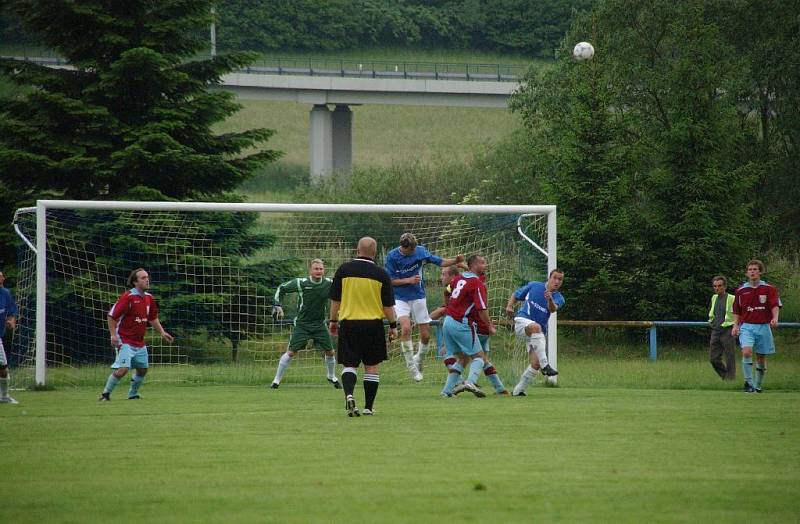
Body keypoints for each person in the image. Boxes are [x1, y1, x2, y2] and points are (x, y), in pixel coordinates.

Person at [329, 237, 397, 416]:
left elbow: (336, 299)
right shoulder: (381, 274)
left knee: (349, 365)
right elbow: (388, 306)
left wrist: (333, 321)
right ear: (374, 253)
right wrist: (393, 325)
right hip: (372, 325)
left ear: (357, 250)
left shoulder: (343, 270)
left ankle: (350, 395)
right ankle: (368, 407)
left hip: (349, 324)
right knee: (372, 366)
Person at [385, 232, 463, 382]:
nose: (414, 252)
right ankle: (411, 367)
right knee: (406, 328)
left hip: (418, 296)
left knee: (426, 336)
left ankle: (419, 359)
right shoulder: (392, 256)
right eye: (410, 250)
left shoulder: (420, 251)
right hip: (400, 298)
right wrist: (408, 280)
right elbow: (390, 280)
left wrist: (455, 260)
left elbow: (439, 261)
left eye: (415, 249)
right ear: (404, 248)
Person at [432, 264, 508, 397]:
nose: (441, 277)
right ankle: (498, 388)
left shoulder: (464, 282)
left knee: (469, 358)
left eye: (443, 274)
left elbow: (447, 299)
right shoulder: (473, 281)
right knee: (477, 358)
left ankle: (459, 386)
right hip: (475, 325)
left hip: (474, 325)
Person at [99, 268, 173, 401]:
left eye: (147, 277)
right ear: (135, 282)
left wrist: (162, 332)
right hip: (124, 339)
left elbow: (153, 318)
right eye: (143, 278)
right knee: (123, 369)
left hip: (139, 342)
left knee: (143, 369)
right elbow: (111, 316)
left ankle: (132, 395)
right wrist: (113, 335)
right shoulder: (128, 297)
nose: (147, 279)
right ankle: (105, 394)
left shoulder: (149, 298)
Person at [270, 258, 340, 389]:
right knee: (291, 352)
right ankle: (276, 380)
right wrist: (277, 304)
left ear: (323, 270)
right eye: (316, 269)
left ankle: (331, 376)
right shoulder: (301, 283)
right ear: (310, 270)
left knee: (330, 352)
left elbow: (342, 290)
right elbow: (281, 288)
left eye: (321, 269)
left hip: (319, 324)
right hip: (302, 324)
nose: (319, 271)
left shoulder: (329, 283)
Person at [441, 255, 496, 398]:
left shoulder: (458, 279)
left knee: (463, 359)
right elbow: (482, 309)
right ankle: (470, 382)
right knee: (479, 357)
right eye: (482, 263)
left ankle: (446, 391)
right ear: (474, 265)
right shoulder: (477, 283)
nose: (485, 266)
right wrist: (489, 325)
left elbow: (448, 291)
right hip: (462, 323)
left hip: (448, 321)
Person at [506, 269, 564, 397]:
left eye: (560, 279)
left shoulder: (559, 297)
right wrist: (509, 306)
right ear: (549, 278)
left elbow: (553, 309)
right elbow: (516, 294)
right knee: (536, 327)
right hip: (522, 322)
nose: (557, 281)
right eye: (555, 278)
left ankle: (518, 390)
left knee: (535, 364)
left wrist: (549, 299)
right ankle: (546, 365)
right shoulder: (535, 285)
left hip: (536, 333)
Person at [732, 259, 781, 393]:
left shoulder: (769, 289)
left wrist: (775, 318)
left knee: (761, 357)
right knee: (746, 351)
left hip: (763, 326)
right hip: (747, 326)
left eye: (755, 269)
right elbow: (736, 310)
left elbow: (775, 305)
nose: (752, 272)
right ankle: (749, 384)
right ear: (747, 273)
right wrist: (735, 326)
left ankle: (758, 386)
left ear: (760, 272)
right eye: (750, 270)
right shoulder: (741, 291)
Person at [708, 275, 736, 381]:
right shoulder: (714, 298)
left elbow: (738, 313)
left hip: (728, 329)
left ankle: (731, 379)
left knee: (730, 356)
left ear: (724, 286)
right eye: (715, 286)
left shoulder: (732, 298)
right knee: (713, 358)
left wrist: (735, 326)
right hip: (716, 329)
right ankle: (725, 375)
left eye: (719, 286)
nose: (717, 288)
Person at [0, 270, 20, 404]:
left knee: (3, 368)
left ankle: (4, 397)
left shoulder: (5, 294)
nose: (0, 279)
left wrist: (11, 321)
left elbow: (12, 312)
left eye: (1, 276)